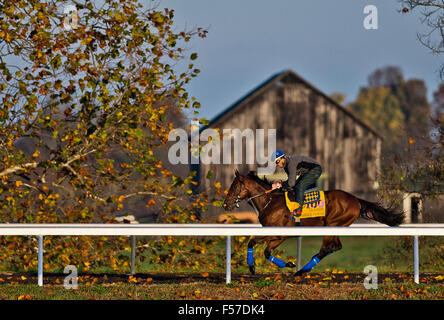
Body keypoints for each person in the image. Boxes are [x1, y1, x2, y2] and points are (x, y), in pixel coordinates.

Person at [270, 150, 322, 221]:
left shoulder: (290, 164)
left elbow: (291, 183)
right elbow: (290, 184)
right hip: (307, 172)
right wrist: (281, 185)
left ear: (283, 158)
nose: (276, 164)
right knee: (295, 186)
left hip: (315, 169)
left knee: (299, 186)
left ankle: (298, 210)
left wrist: (279, 185)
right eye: (275, 163)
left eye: (277, 161)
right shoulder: (286, 165)